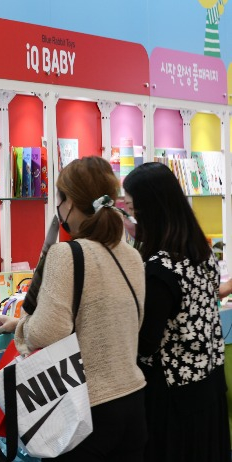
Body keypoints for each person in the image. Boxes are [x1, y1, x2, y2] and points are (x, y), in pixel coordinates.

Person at [0, 156, 147, 461]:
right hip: (133, 400)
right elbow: (123, 319)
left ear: (72, 203)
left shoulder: (67, 254)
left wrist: (22, 325)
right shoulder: (129, 254)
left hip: (87, 411)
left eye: (60, 200)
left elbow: (48, 332)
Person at [122, 162, 230, 461]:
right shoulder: (201, 252)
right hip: (208, 386)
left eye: (131, 207)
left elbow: (146, 344)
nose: (129, 216)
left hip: (173, 399)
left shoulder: (160, 268)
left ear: (149, 209)